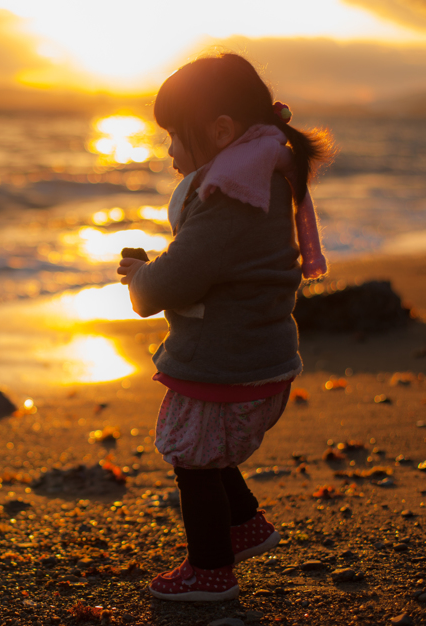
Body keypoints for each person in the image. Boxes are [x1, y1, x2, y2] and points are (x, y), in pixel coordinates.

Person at [117, 52, 333, 602]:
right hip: (258, 355)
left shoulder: (230, 196)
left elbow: (183, 274)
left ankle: (210, 572)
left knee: (191, 457)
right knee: (204, 448)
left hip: (228, 364)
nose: (167, 148)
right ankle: (244, 525)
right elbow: (211, 260)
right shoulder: (258, 174)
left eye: (173, 134)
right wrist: (155, 270)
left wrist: (143, 281)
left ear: (219, 131)